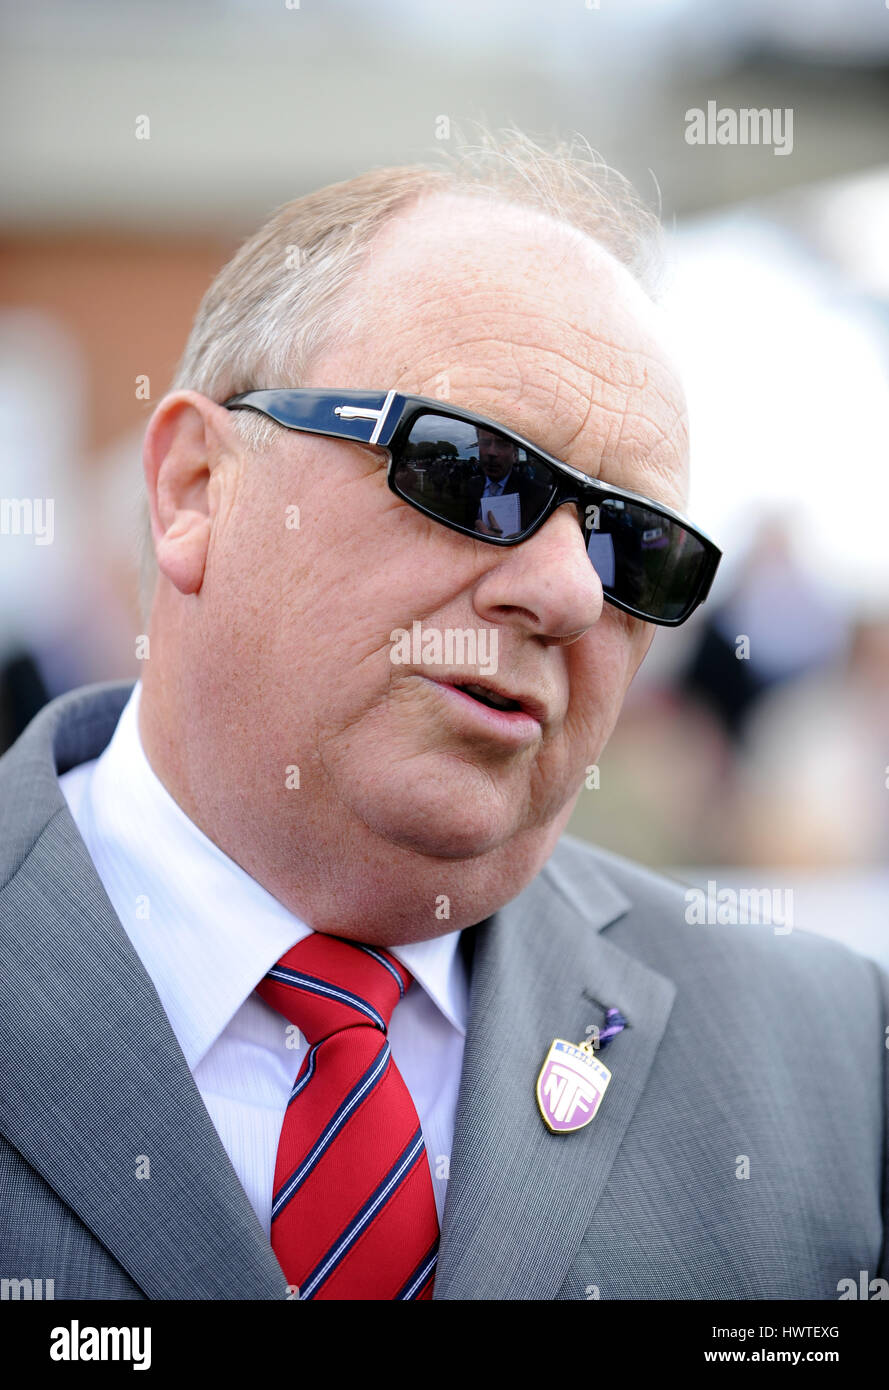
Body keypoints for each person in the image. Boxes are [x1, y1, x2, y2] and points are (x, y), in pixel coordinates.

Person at [0, 131, 884, 1301]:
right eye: (475, 473)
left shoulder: (827, 1060)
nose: (570, 591)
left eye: (638, 547)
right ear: (197, 490)